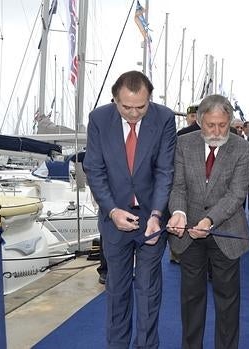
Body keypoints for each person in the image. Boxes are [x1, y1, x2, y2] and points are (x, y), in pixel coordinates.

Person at [83, 70, 176, 348]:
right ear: (115, 99)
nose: (134, 114)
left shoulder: (164, 118)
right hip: (114, 220)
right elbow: (95, 170)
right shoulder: (99, 119)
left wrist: (158, 215)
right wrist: (111, 211)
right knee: (117, 290)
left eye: (141, 107)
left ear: (150, 99)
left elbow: (165, 171)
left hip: (151, 220)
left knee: (148, 291)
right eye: (126, 107)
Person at [166, 94, 249, 349]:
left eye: (223, 125)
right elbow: (178, 187)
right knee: (191, 299)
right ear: (200, 121)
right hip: (188, 235)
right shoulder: (183, 144)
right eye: (210, 125)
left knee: (227, 300)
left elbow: (237, 194)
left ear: (230, 122)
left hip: (226, 231)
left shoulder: (243, 149)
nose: (217, 131)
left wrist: (209, 219)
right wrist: (179, 213)